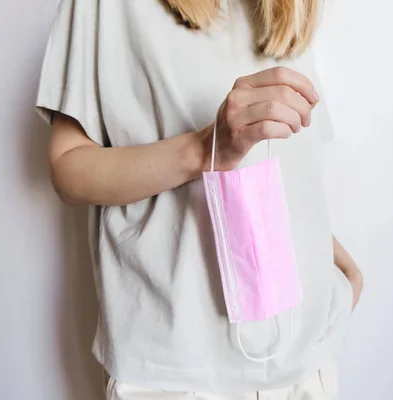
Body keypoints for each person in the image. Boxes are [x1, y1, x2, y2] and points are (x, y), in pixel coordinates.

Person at [36, 0, 363, 398]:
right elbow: (69, 171)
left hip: (308, 360)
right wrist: (205, 149)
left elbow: (290, 167)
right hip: (177, 372)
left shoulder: (290, 7)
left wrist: (337, 269)